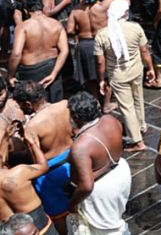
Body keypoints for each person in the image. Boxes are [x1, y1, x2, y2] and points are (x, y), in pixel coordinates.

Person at [91, 0, 153, 153]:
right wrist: (150, 68)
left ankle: (138, 141)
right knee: (138, 98)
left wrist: (101, 80)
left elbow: (100, 61)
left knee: (127, 107)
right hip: (136, 69)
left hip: (118, 75)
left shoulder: (102, 35)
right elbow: (144, 51)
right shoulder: (135, 28)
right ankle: (141, 126)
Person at [65, 93, 131, 235]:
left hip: (101, 189)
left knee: (108, 229)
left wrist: (71, 205)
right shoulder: (110, 120)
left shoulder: (81, 146)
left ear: (76, 117)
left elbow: (87, 185)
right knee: (114, 219)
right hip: (120, 171)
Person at [14, 81, 73, 233]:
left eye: (21, 106)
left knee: (59, 215)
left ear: (28, 103)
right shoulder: (65, 105)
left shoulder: (32, 126)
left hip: (50, 173)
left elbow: (35, 159)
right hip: (73, 160)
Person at [9, 0, 69, 103]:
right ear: (42, 8)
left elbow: (16, 54)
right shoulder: (56, 24)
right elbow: (64, 51)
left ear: (26, 11)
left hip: (31, 72)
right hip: (53, 67)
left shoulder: (23, 27)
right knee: (54, 104)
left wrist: (10, 75)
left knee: (33, 104)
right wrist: (54, 74)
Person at [0, 124, 50, 235]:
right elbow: (44, 167)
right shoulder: (19, 173)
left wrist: (5, 138)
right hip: (38, 227)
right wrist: (32, 143)